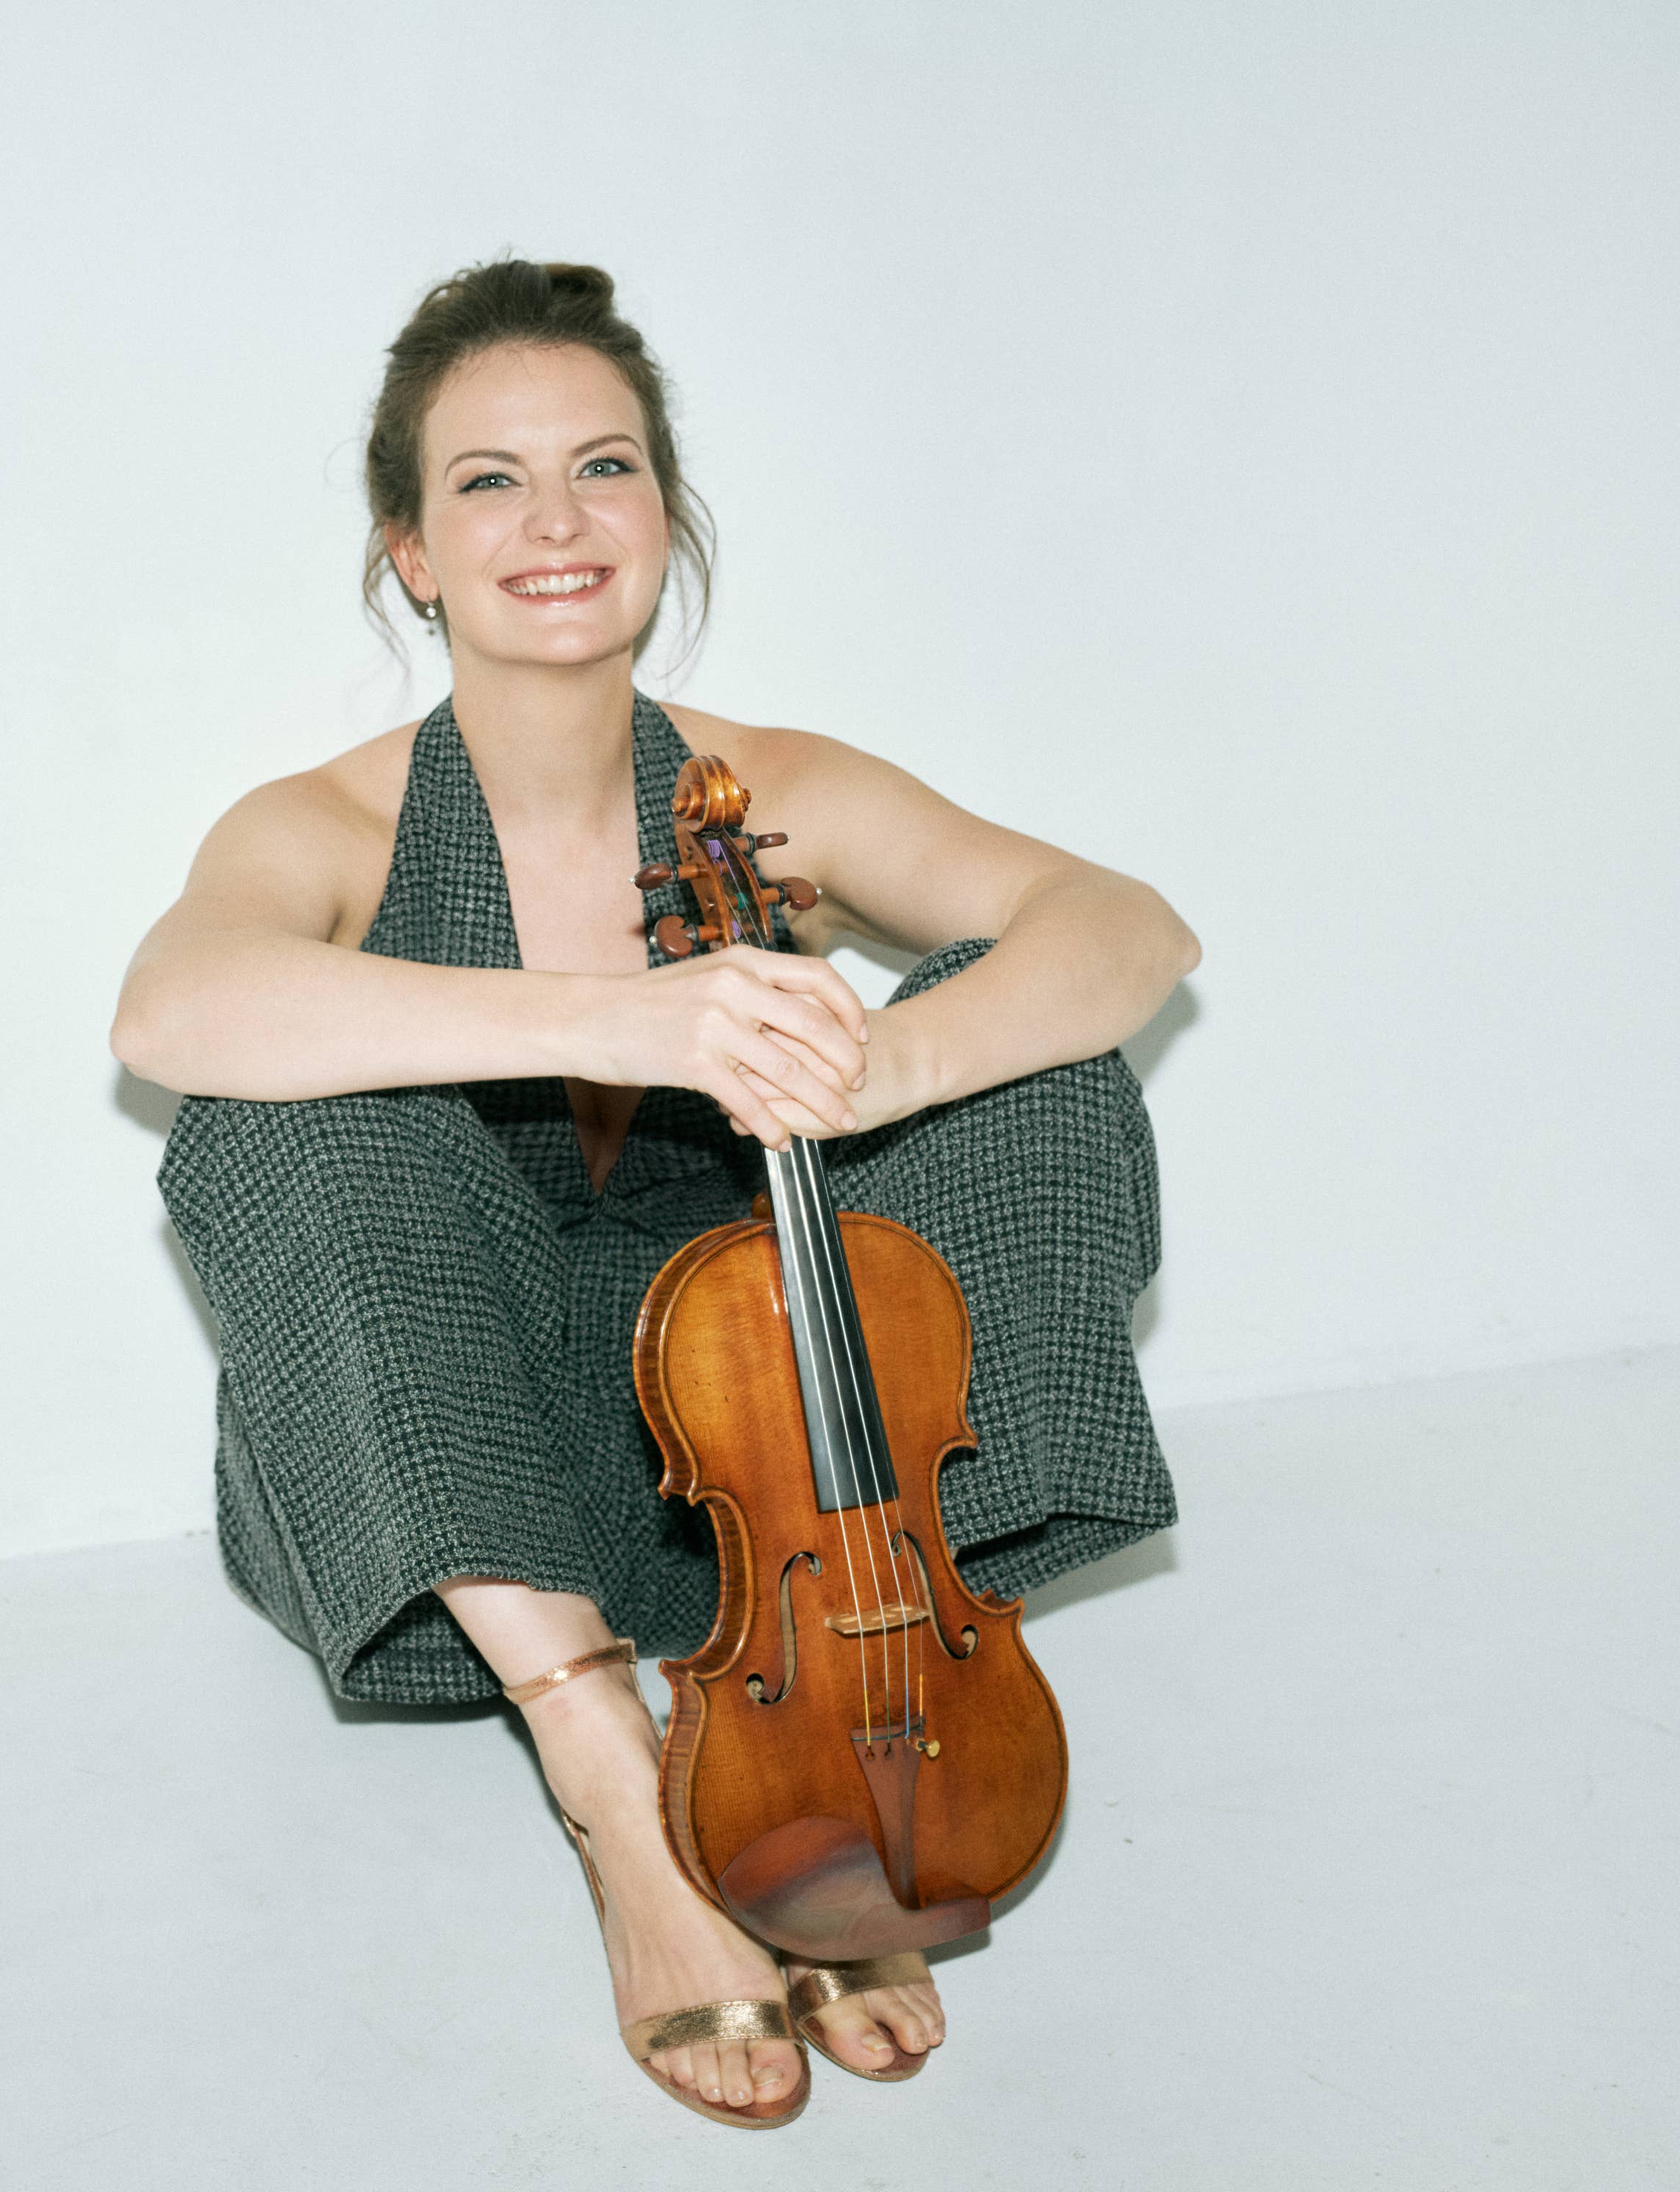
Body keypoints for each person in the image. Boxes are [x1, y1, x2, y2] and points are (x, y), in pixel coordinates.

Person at [111, 259, 1198, 2130]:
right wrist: (625, 1019)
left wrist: (882, 1060)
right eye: (486, 481)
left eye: (601, 466)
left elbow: (1124, 928)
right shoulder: (330, 825)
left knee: (1033, 1046)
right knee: (274, 1108)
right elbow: (171, 1006)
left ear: (664, 517)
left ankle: (824, 1704)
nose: (553, 519)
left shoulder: (765, 792)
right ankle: (613, 1774)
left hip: (780, 1491)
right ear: (411, 555)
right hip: (470, 1482)